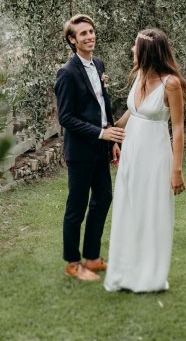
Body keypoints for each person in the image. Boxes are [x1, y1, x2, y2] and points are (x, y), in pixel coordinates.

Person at [104, 28, 186, 293]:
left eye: (135, 46)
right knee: (129, 208)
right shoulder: (140, 76)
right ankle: (125, 272)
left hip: (155, 155)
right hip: (132, 154)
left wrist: (176, 170)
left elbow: (177, 129)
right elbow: (133, 113)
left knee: (151, 211)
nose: (132, 50)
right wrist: (110, 133)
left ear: (147, 52)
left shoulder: (171, 84)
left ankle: (150, 276)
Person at [55, 14, 124, 281]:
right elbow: (66, 118)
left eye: (91, 31)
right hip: (80, 152)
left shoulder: (98, 63)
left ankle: (92, 257)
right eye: (83, 33)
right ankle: (73, 262)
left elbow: (102, 105)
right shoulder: (67, 73)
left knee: (104, 198)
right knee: (77, 206)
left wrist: (112, 141)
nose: (90, 36)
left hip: (101, 149)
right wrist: (101, 134)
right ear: (73, 40)